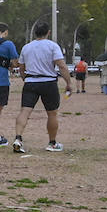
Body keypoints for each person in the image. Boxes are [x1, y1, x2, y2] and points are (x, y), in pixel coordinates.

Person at [13, 21, 73, 154]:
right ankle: (52, 143)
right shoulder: (52, 46)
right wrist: (68, 83)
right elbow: (62, 66)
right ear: (48, 32)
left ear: (35, 33)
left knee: (24, 111)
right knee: (52, 113)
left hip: (31, 81)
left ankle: (18, 138)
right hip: (48, 82)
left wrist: (25, 79)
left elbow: (21, 67)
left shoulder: (26, 47)